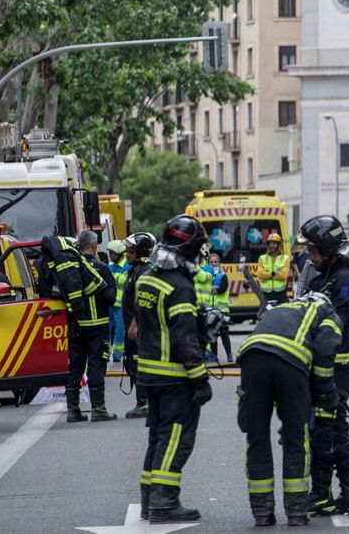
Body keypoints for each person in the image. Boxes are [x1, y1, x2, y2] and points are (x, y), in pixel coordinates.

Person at [238, 291, 342, 527]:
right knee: (295, 438)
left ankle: (262, 513)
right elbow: (325, 349)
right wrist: (325, 394)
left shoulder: (279, 308)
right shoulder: (327, 313)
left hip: (252, 357)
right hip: (291, 361)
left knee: (257, 438)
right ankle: (296, 512)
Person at [135, 215, 214, 522]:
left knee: (157, 437)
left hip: (149, 374)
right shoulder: (180, 285)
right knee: (176, 439)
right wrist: (200, 379)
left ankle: (148, 500)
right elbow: (183, 338)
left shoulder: (148, 277)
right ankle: (164, 503)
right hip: (174, 377)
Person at [300, 215, 349, 517]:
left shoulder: (346, 282)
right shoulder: (319, 279)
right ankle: (347, 494)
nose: (309, 256)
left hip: (339, 367)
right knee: (329, 426)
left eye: (313, 251)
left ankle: (328, 493)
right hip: (318, 365)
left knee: (327, 427)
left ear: (328, 250)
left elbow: (330, 324)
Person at [43, 231, 117, 423]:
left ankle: (73, 411)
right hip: (98, 326)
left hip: (75, 326)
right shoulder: (101, 268)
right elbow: (111, 297)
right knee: (96, 365)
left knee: (75, 366)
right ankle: (98, 409)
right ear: (93, 246)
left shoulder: (67, 267)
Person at [121, 232, 156, 420]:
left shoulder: (144, 271)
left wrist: (134, 323)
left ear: (141, 252)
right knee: (133, 365)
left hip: (140, 330)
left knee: (139, 365)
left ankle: (144, 404)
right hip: (132, 330)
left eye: (131, 251)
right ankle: (142, 402)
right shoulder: (135, 270)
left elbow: (142, 301)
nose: (127, 254)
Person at [204, 252, 234, 364]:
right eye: (211, 262)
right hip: (210, 310)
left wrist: (214, 290)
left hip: (222, 310)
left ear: (219, 263)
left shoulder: (222, 275)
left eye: (215, 262)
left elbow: (222, 288)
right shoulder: (206, 275)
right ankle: (214, 356)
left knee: (224, 333)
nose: (213, 264)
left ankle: (229, 354)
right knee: (212, 334)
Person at [254, 232, 291, 313]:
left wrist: (267, 275)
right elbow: (259, 274)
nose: (272, 246)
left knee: (282, 316)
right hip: (266, 294)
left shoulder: (286, 258)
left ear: (279, 245)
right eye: (270, 243)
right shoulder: (262, 258)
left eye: (274, 243)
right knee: (265, 316)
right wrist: (274, 274)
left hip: (280, 294)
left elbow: (284, 275)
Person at [107, 240, 130, 362]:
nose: (110, 255)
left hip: (121, 305)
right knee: (107, 328)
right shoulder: (110, 266)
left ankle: (117, 353)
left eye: (112, 253)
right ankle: (106, 353)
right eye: (109, 253)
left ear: (120, 254)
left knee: (119, 329)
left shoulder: (128, 267)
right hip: (109, 304)